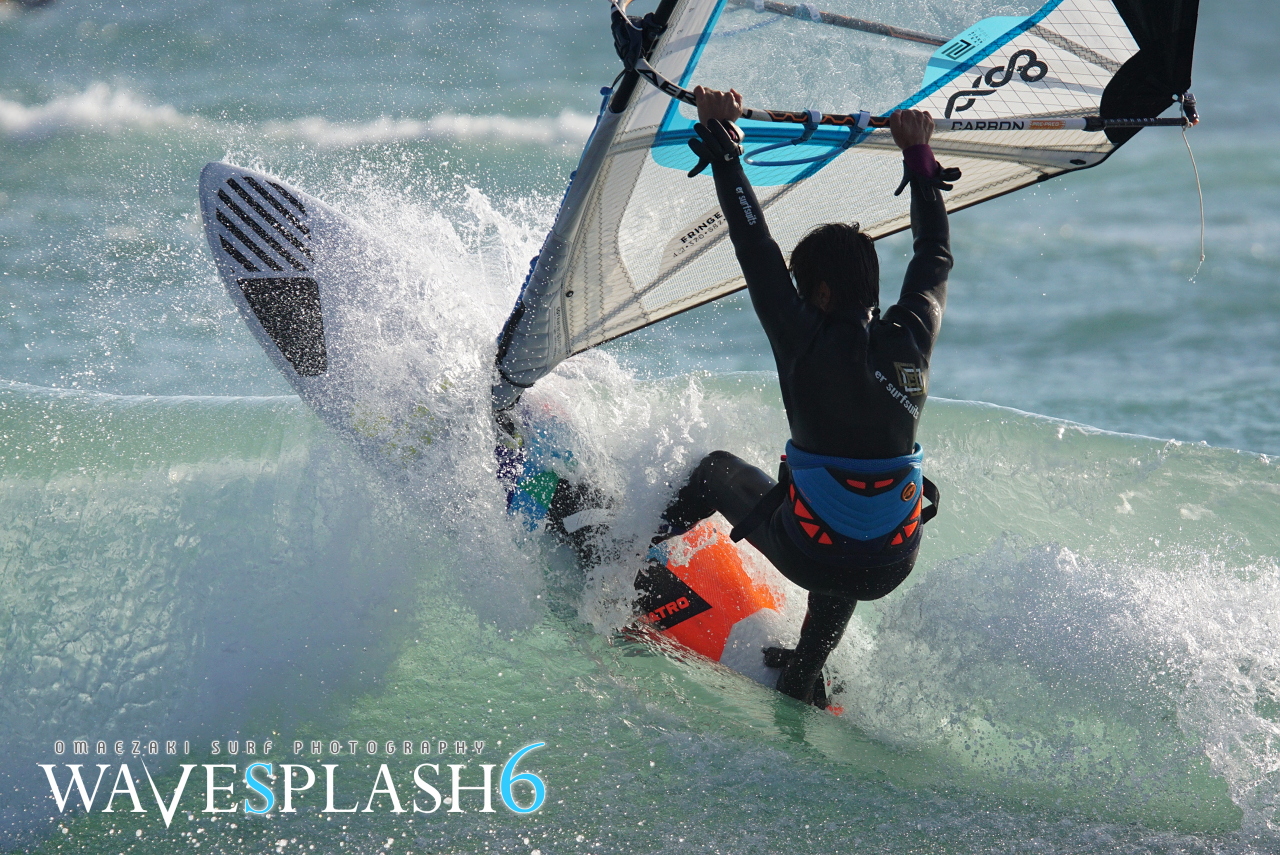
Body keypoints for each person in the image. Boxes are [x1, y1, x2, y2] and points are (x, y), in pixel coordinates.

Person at [655, 87, 954, 707]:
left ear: (818, 293)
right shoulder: (913, 335)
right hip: (891, 562)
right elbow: (935, 253)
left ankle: (618, 555)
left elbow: (753, 243)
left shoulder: (802, 337)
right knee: (849, 516)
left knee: (715, 472)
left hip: (813, 551)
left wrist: (723, 144)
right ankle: (804, 670)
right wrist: (919, 156)